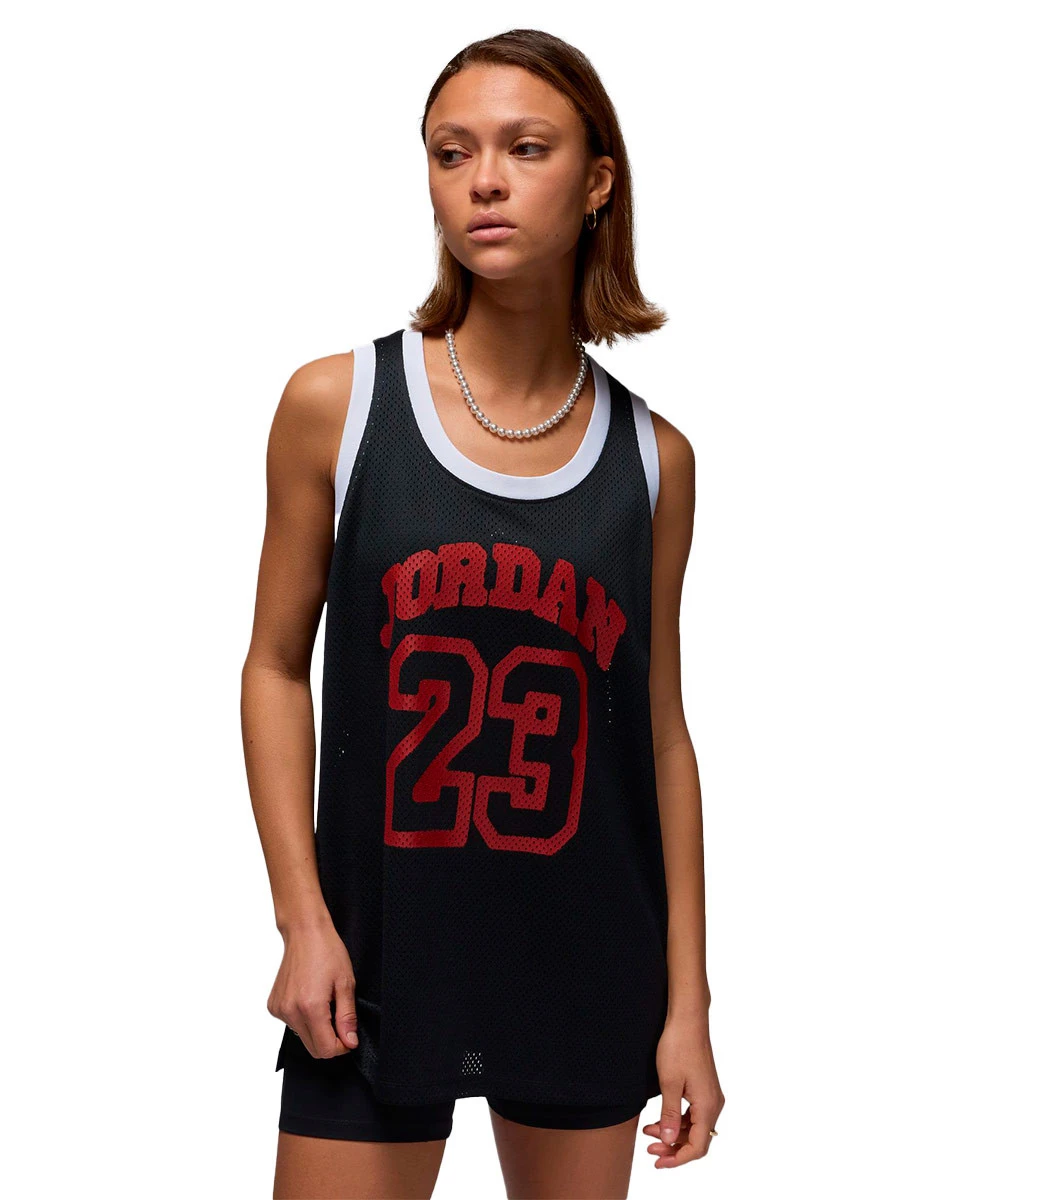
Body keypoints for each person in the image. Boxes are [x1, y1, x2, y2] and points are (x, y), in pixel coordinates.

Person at [241, 28, 724, 1200]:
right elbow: (274, 668)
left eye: (526, 148)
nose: (485, 181)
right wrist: (301, 919)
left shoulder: (654, 460)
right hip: (376, 961)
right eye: (452, 152)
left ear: (597, 180)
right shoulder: (339, 404)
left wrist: (688, 1006)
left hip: (584, 958)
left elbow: (659, 736)